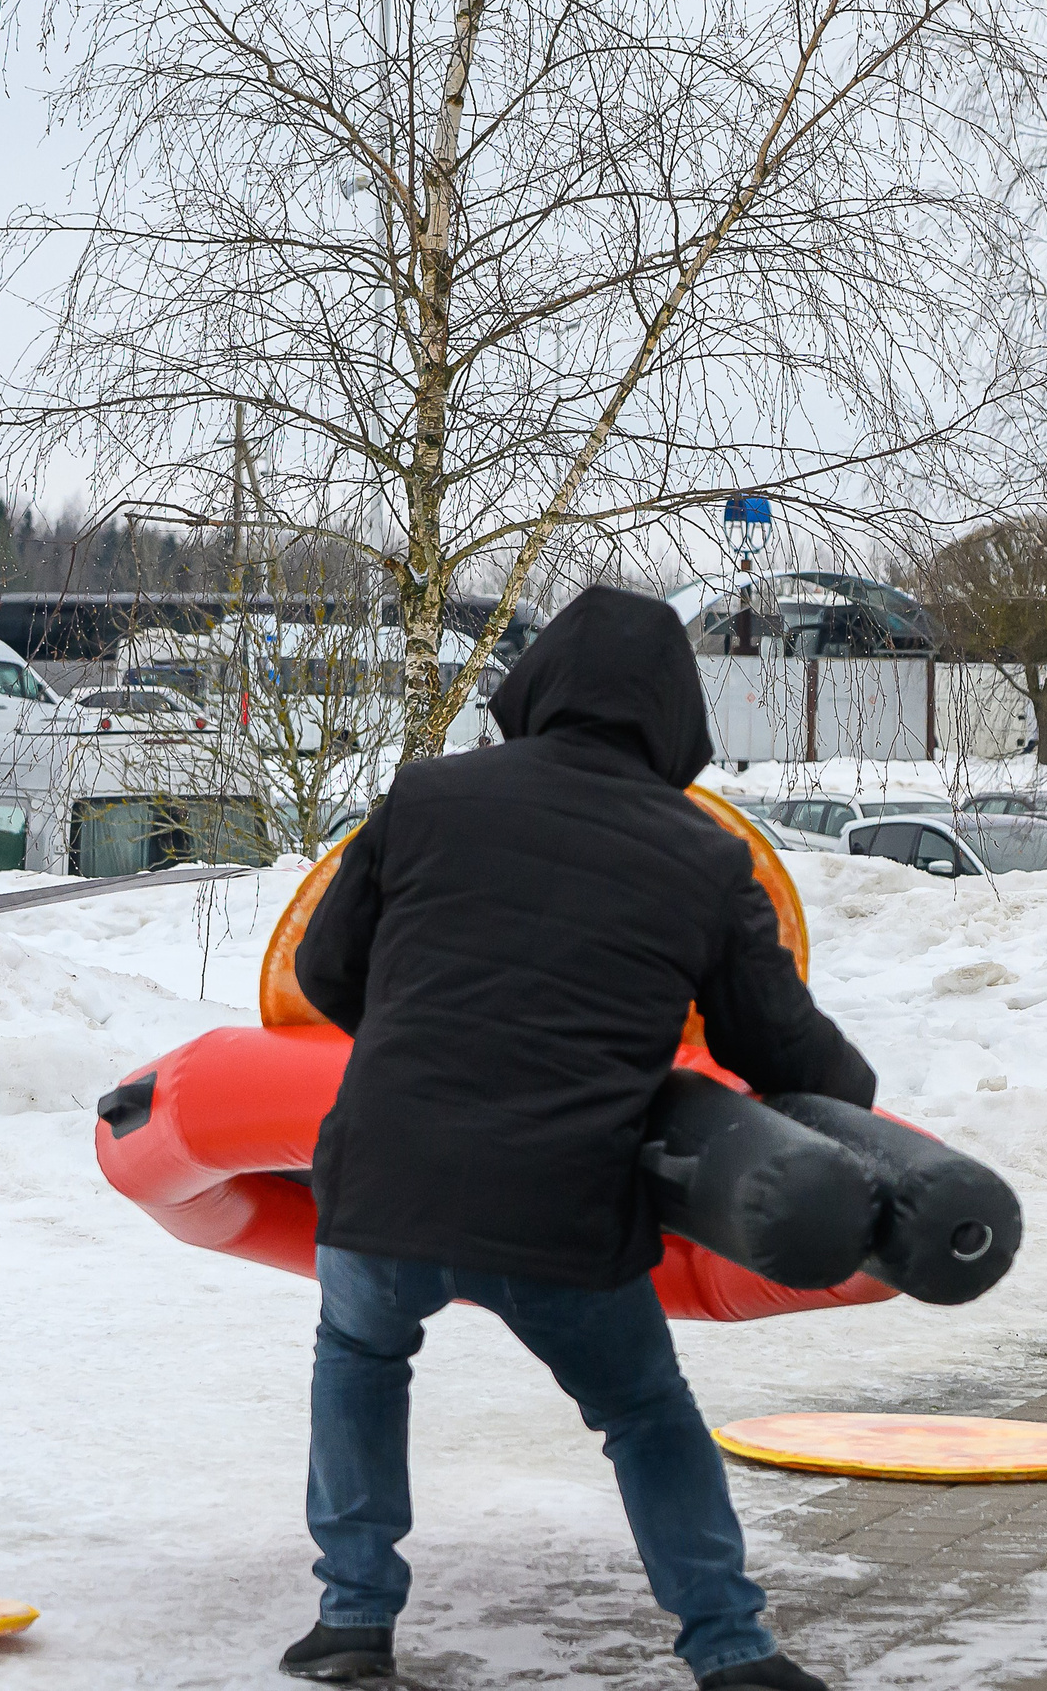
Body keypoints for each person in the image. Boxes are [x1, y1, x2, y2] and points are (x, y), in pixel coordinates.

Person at [284, 587, 875, 1687]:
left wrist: (426, 1041)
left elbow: (324, 969)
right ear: (676, 717)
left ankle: (353, 1619)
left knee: (361, 1353)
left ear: (539, 681)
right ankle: (730, 1644)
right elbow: (782, 1046)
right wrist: (862, 1120)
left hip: (387, 1177)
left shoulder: (426, 795)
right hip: (564, 1200)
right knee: (644, 1409)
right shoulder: (702, 858)